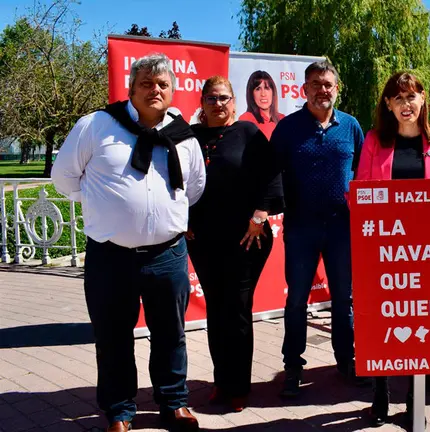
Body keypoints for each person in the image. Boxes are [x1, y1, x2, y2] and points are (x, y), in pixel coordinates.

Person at [51, 53, 206, 432]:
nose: (155, 90)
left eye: (163, 84)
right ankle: (120, 411)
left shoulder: (183, 135)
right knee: (113, 336)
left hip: (167, 254)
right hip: (111, 256)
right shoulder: (96, 126)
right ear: (131, 88)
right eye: (146, 84)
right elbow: (64, 179)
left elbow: (195, 188)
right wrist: (106, 211)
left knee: (171, 334)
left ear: (172, 90)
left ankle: (173, 403)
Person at [356, 71, 430, 428]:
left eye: (412, 97)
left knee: (422, 322)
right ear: (387, 104)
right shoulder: (373, 141)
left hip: (427, 250)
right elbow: (361, 194)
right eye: (398, 98)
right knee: (385, 318)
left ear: (423, 100)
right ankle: (380, 388)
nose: (406, 104)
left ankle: (416, 398)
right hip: (385, 248)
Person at [187, 76, 283, 412]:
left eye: (224, 98)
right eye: (211, 98)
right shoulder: (190, 137)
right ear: (202, 101)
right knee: (217, 309)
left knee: (237, 309)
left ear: (233, 101)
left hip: (247, 238)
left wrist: (259, 216)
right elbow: (173, 179)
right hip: (203, 239)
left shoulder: (248, 133)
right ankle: (221, 381)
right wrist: (181, 219)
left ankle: (239, 386)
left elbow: (272, 176)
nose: (218, 104)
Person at [271, 60, 365, 398]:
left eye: (328, 84)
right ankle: (293, 367)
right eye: (315, 83)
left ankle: (347, 360)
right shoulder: (288, 128)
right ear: (304, 89)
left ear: (336, 89)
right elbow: (272, 173)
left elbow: (362, 172)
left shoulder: (351, 127)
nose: (322, 89)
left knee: (345, 298)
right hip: (301, 228)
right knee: (296, 300)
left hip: (343, 227)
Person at [239, 70, 285, 140]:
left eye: (267, 88)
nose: (263, 94)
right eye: (258, 89)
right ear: (251, 94)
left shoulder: (282, 119)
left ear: (273, 92)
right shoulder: (246, 119)